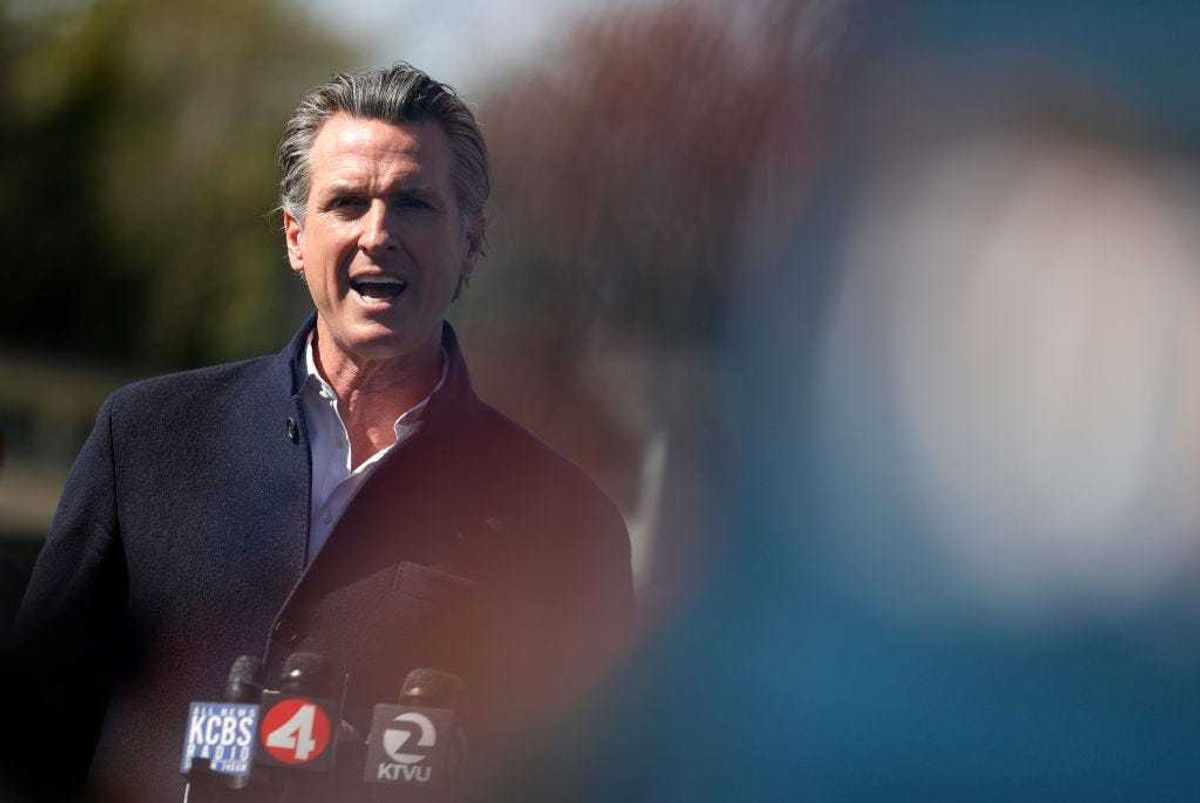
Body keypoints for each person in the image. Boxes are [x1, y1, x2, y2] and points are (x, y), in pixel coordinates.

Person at [8, 63, 633, 801]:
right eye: (347, 202)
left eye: (414, 203)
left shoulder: (566, 523)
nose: (379, 234)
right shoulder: (146, 440)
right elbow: (31, 738)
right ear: (295, 236)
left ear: (471, 242)